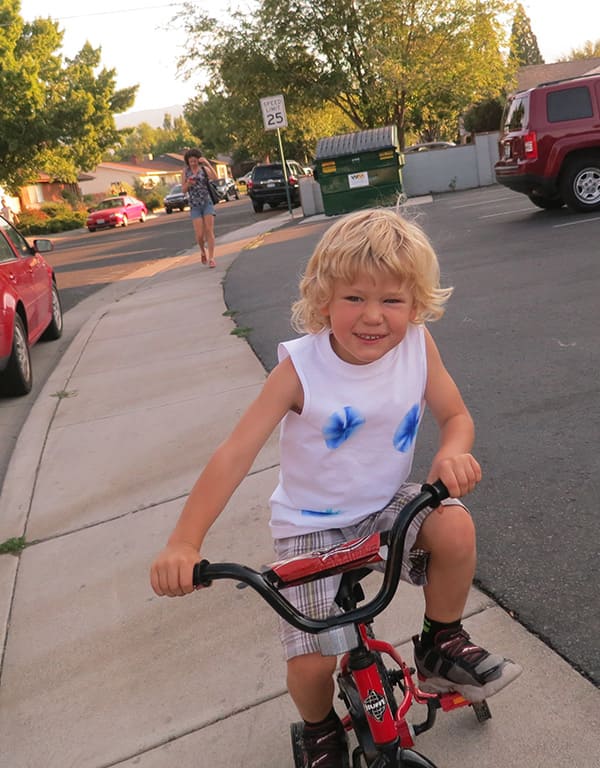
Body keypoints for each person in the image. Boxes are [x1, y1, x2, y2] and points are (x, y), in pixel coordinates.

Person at [150, 207, 522, 768]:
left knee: (454, 525)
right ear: (324, 299)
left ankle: (439, 642)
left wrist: (451, 453)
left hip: (382, 508)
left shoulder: (418, 348)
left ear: (416, 304)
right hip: (311, 528)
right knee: (311, 663)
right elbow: (235, 454)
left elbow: (455, 415)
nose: (372, 317)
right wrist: (184, 541)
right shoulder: (301, 369)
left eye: (392, 301)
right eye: (354, 298)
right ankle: (318, 728)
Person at [181, 148, 218, 268]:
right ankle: (202, 251)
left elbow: (215, 178)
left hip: (207, 202)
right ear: (188, 162)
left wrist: (207, 163)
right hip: (194, 205)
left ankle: (212, 258)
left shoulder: (204, 169)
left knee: (209, 230)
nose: (193, 163)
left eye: (195, 161)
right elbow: (183, 190)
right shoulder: (185, 172)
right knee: (199, 235)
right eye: (190, 161)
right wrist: (188, 184)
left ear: (198, 160)